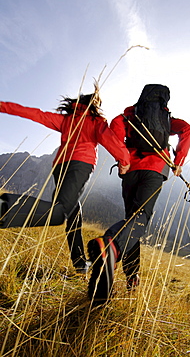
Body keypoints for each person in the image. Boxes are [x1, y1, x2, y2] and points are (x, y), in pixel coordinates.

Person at [0, 85, 130, 274]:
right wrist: (124, 161)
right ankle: (5, 208)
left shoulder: (66, 120)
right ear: (94, 105)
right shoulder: (96, 121)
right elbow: (112, 141)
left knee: (73, 214)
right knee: (59, 213)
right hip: (81, 165)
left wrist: (3, 106)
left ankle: (79, 264)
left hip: (60, 167)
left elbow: (33, 113)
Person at [87, 84, 190, 303]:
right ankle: (111, 246)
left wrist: (122, 160)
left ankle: (131, 277)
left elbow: (114, 131)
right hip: (155, 170)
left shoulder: (128, 116)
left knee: (131, 220)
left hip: (131, 171)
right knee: (140, 217)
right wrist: (178, 162)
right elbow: (188, 129)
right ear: (164, 100)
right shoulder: (166, 119)